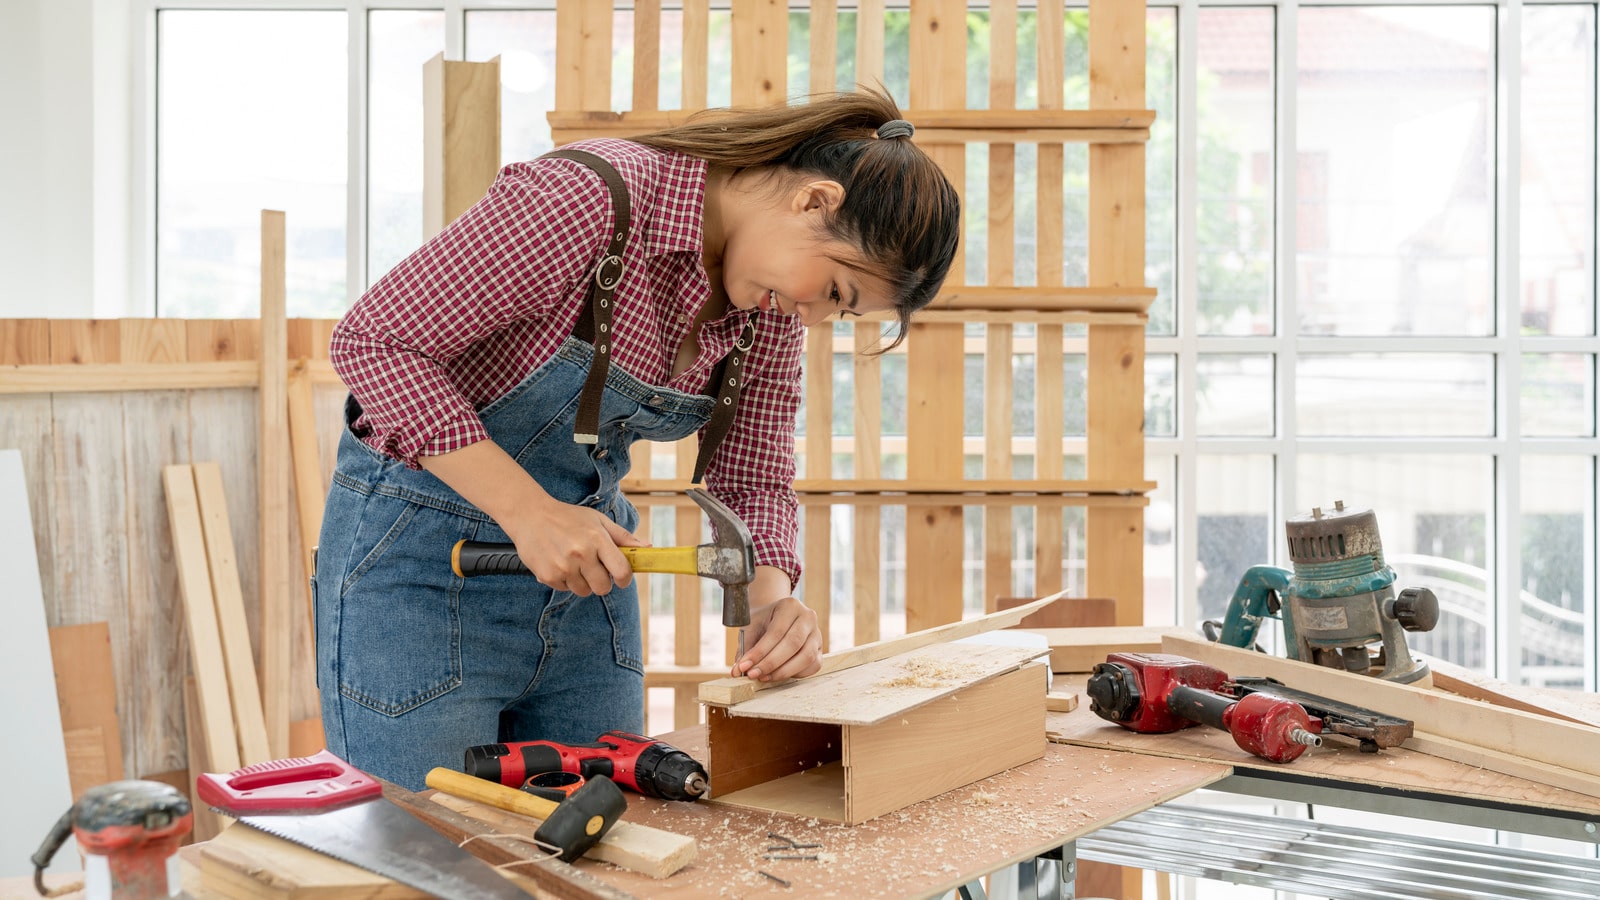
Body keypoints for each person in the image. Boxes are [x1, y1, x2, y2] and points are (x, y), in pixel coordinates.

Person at [314, 88, 961, 790]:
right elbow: (374, 341)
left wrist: (771, 603)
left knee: (595, 856)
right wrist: (529, 514)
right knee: (426, 863)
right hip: (423, 571)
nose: (815, 318)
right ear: (814, 202)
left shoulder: (766, 302)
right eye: (836, 292)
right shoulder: (586, 198)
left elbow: (755, 473)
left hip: (587, 590)